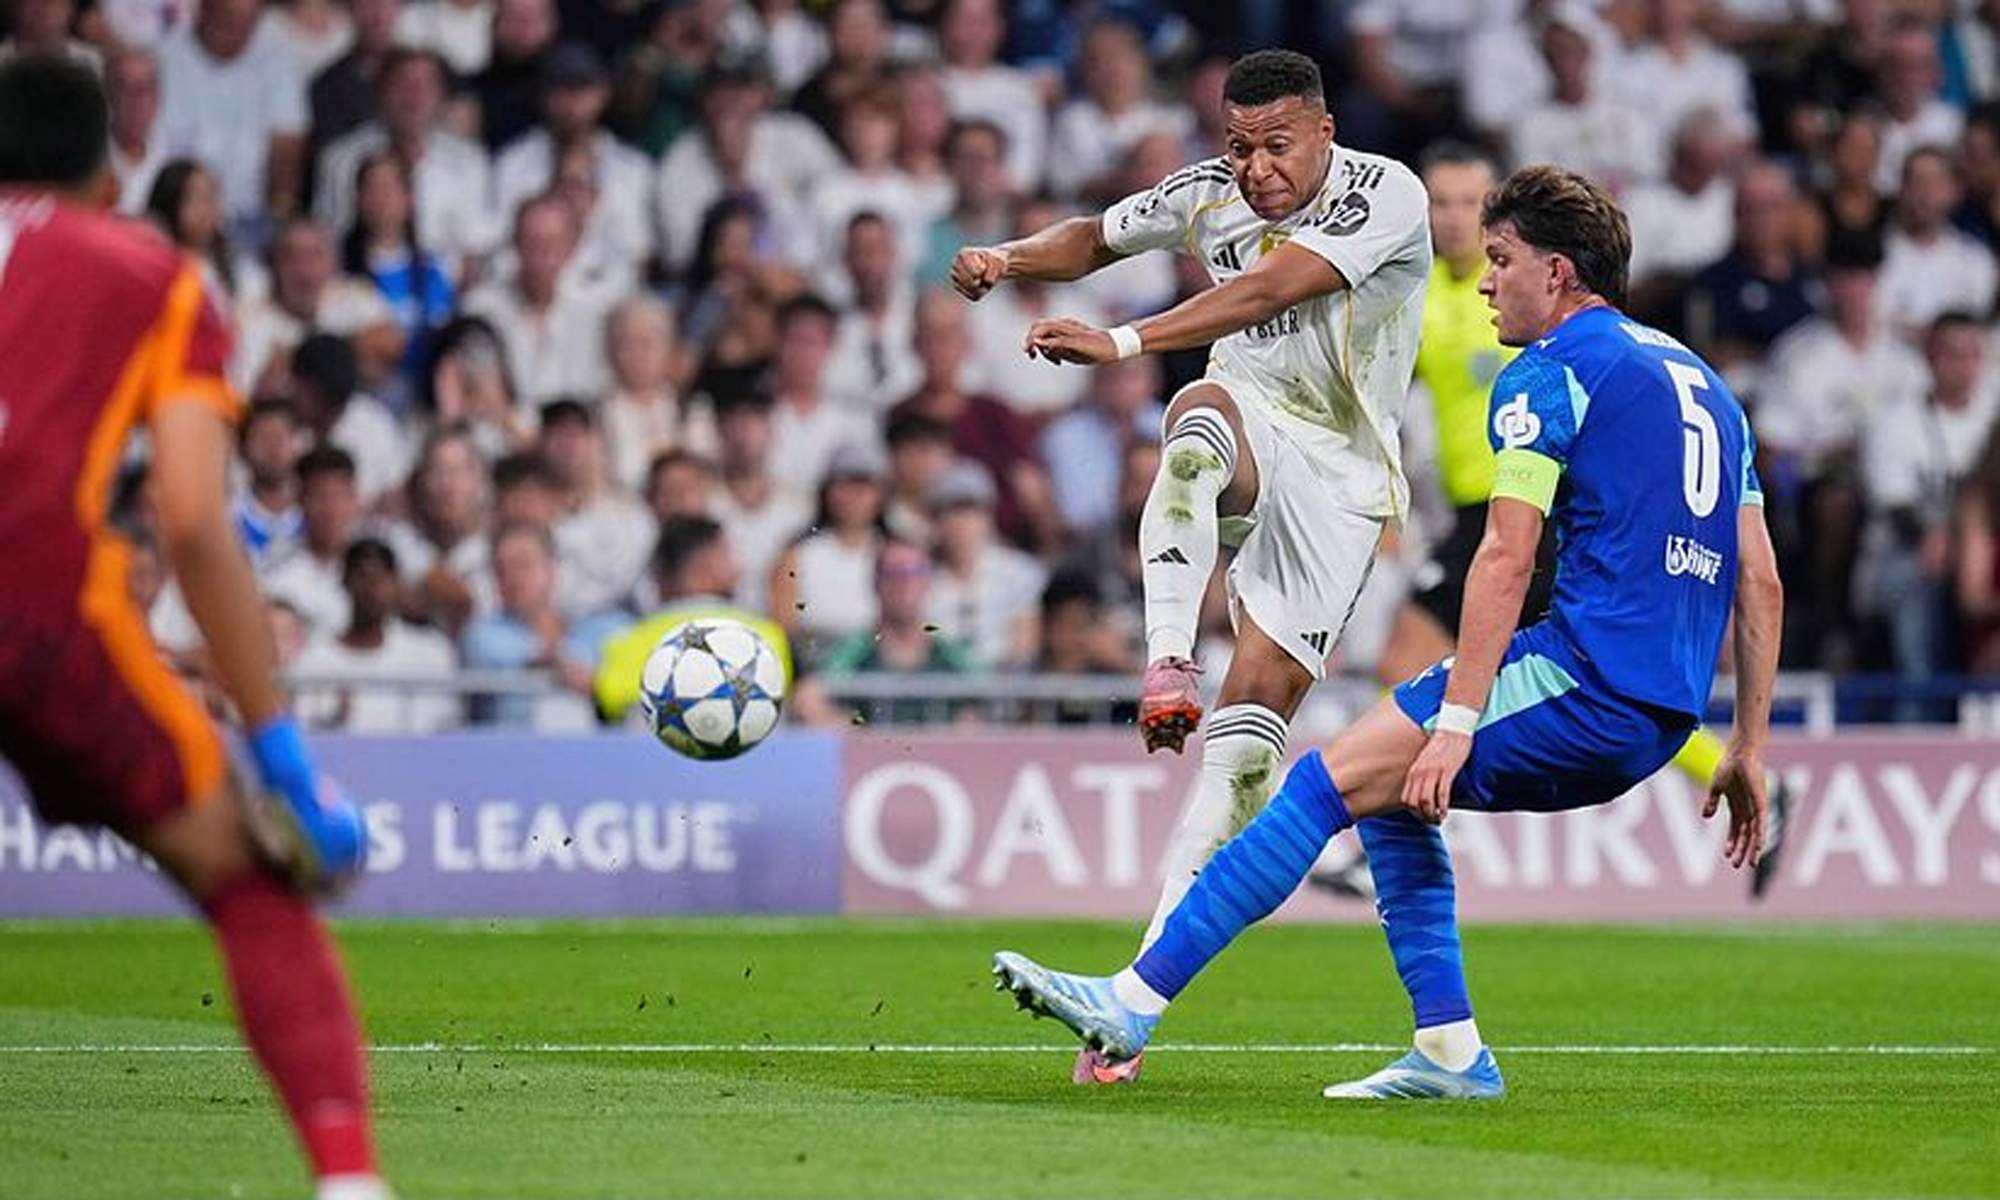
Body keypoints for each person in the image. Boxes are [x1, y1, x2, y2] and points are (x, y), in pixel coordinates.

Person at [993, 164, 1783, 1104]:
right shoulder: (1709, 390)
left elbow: (1504, 557)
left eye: (1501, 260)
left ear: (1560, 272)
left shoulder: (1553, 370)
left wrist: (1457, 720)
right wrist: (1749, 746)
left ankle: (1131, 1000)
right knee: (1391, 795)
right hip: (1660, 710)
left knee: (1323, 784)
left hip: (1582, 679)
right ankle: (1449, 1049)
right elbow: (1762, 580)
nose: (1485, 280)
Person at [953, 49, 1430, 1082]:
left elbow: (1271, 287)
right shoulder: (1205, 192)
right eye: (1236, 144)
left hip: (1344, 480)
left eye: (1274, 145)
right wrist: (1006, 256)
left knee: (1241, 761)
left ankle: (1128, 1010)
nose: (1253, 168)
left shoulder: (1384, 192)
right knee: (1192, 430)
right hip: (1253, 412)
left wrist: (1122, 345)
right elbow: (1090, 238)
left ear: (1323, 132)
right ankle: (1168, 657)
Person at [0, 54, 381, 1199]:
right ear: (112, 169)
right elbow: (192, 520)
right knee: (248, 878)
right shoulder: (149, 274)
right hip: (41, 608)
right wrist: (281, 754)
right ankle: (350, 1181)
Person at [593, 515, 792, 723]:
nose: (738, 565)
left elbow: (610, 701)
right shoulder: (766, 638)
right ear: (706, 566)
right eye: (728, 552)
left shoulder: (626, 641)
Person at [293, 537, 460, 732]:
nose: (371, 589)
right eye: (363, 576)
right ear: (345, 581)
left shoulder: (431, 652)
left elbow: (446, 727)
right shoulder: (314, 658)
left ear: (396, 583)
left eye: (381, 578)